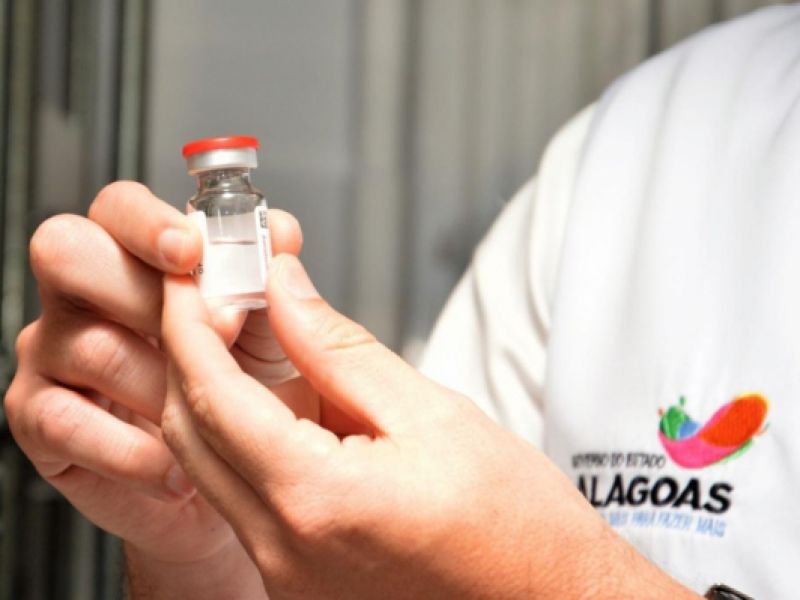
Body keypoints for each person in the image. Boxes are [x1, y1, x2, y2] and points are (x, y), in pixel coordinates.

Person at [6, 4, 797, 598]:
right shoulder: (641, 139)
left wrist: (563, 586)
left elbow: (475, 563)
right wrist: (215, 546)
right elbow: (382, 556)